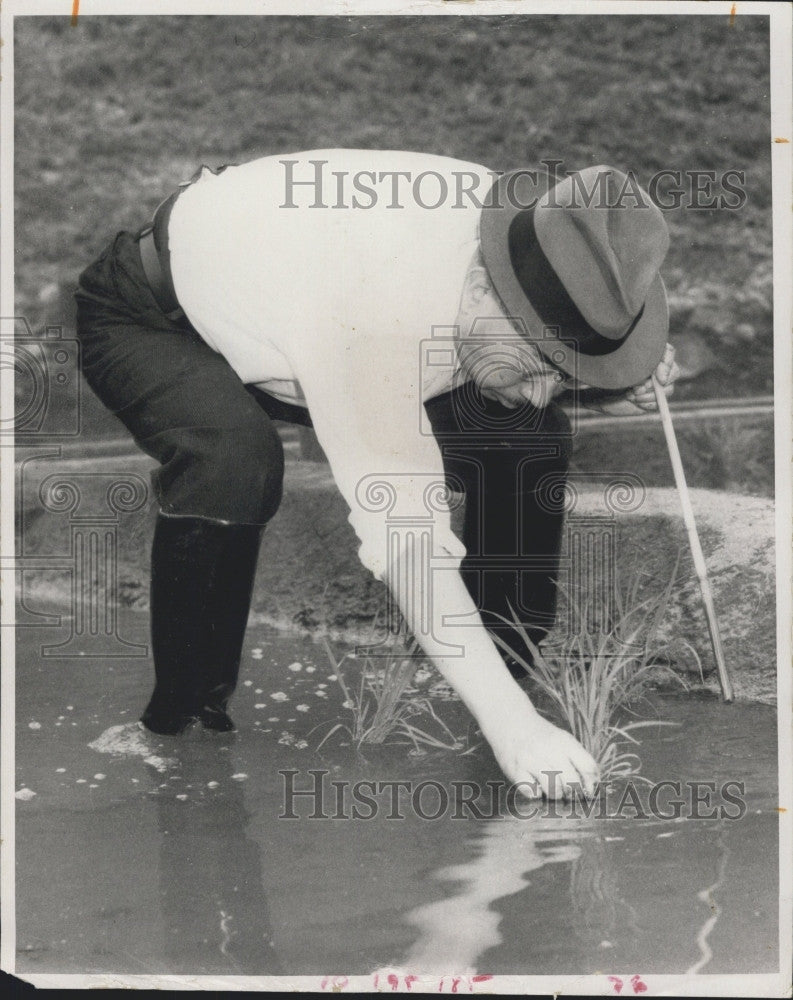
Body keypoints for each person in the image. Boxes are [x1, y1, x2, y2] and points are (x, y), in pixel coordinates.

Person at [75, 150, 679, 800]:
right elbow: (408, 548)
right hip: (155, 317)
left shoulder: (539, 245)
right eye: (540, 361)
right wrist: (516, 733)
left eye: (562, 369)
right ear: (481, 289)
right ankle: (181, 730)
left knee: (525, 434)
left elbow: (533, 364)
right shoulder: (376, 312)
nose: (543, 389)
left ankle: (503, 669)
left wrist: (606, 382)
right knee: (235, 461)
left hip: (300, 321)